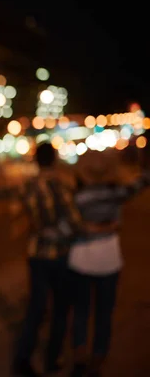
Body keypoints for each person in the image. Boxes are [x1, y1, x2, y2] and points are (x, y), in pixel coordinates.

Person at [68, 151, 150, 377]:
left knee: (82, 312)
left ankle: (79, 357)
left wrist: (90, 229)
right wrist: (107, 228)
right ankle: (98, 359)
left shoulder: (77, 197)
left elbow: (71, 227)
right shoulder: (117, 193)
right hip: (109, 261)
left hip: (80, 261)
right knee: (104, 314)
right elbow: (142, 181)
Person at [11, 142, 86, 377]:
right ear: (53, 159)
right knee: (61, 308)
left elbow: (18, 211)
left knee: (36, 308)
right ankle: (52, 358)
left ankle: (23, 360)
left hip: (36, 253)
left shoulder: (28, 186)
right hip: (60, 255)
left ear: (36, 160)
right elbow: (75, 223)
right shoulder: (61, 185)